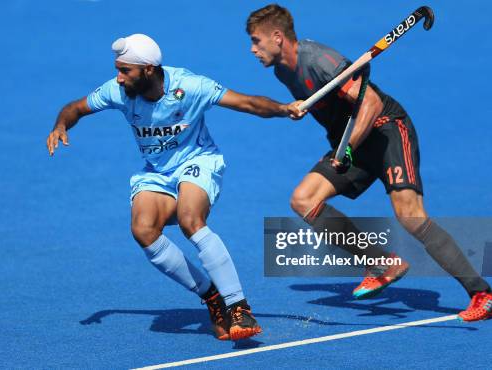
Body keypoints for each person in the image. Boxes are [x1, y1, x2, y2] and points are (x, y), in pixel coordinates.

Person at [245, 4, 492, 322]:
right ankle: (382, 261)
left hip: (385, 131)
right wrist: (291, 108)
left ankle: (484, 294)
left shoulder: (319, 60)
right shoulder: (283, 70)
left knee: (410, 216)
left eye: (256, 41)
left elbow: (371, 102)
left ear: (278, 37)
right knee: (303, 200)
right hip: (350, 143)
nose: (253, 49)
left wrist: (347, 149)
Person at [46, 33, 302, 340]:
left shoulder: (190, 86)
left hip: (199, 161)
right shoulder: (117, 91)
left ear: (149, 70)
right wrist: (60, 125)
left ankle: (239, 307)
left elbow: (247, 103)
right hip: (156, 172)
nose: (119, 77)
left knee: (189, 219)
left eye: (125, 70)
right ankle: (212, 298)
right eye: (118, 69)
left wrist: (284, 108)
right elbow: (75, 108)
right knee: (143, 229)